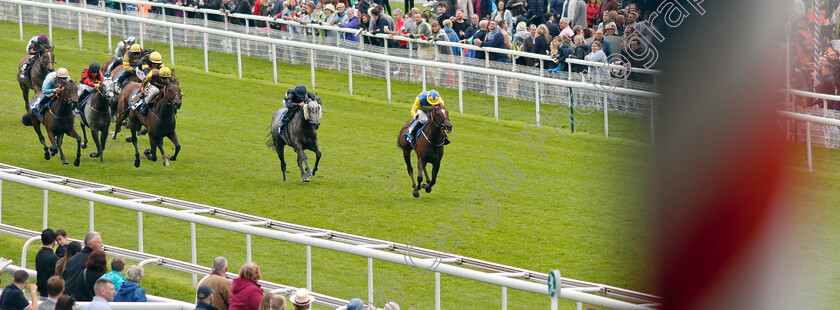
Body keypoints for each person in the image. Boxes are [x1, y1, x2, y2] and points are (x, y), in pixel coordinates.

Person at [63, 232, 102, 300]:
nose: (101, 245)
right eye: (99, 243)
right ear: (90, 244)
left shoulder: (72, 259)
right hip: (79, 300)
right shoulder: (93, 261)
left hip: (66, 297)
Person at [36, 228, 60, 298]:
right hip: (51, 294)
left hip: (42, 292)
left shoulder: (39, 254)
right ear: (53, 240)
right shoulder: (55, 259)